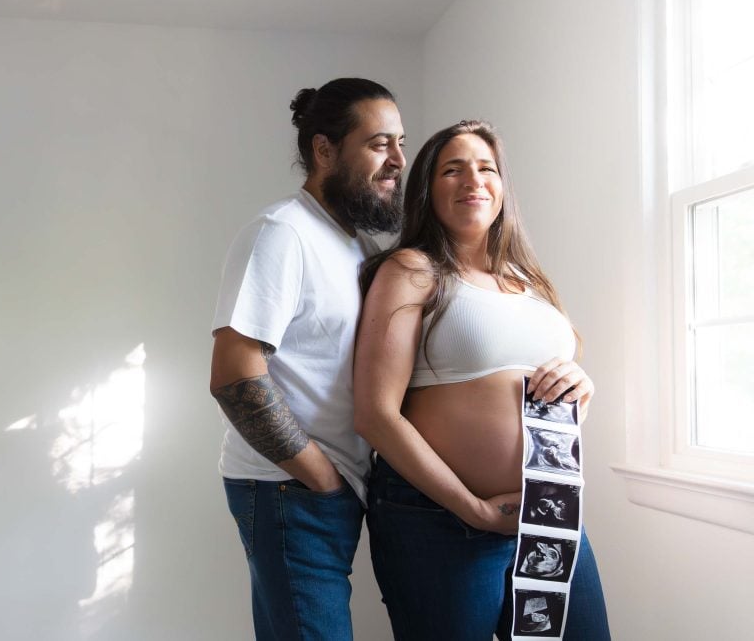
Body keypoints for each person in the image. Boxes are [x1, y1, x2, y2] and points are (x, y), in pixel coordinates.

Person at [353, 120, 611, 640]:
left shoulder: (530, 282)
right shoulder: (412, 270)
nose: (473, 179)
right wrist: (470, 508)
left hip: (547, 511)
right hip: (439, 519)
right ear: (428, 188)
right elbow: (375, 413)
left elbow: (553, 390)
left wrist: (581, 387)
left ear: (501, 187)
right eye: (453, 169)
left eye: (486, 168)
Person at [209, 78, 406, 640]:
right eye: (378, 144)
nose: (397, 160)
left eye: (401, 142)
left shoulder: (351, 242)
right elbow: (234, 374)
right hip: (287, 488)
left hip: (322, 492)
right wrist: (321, 478)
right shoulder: (282, 234)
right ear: (324, 151)